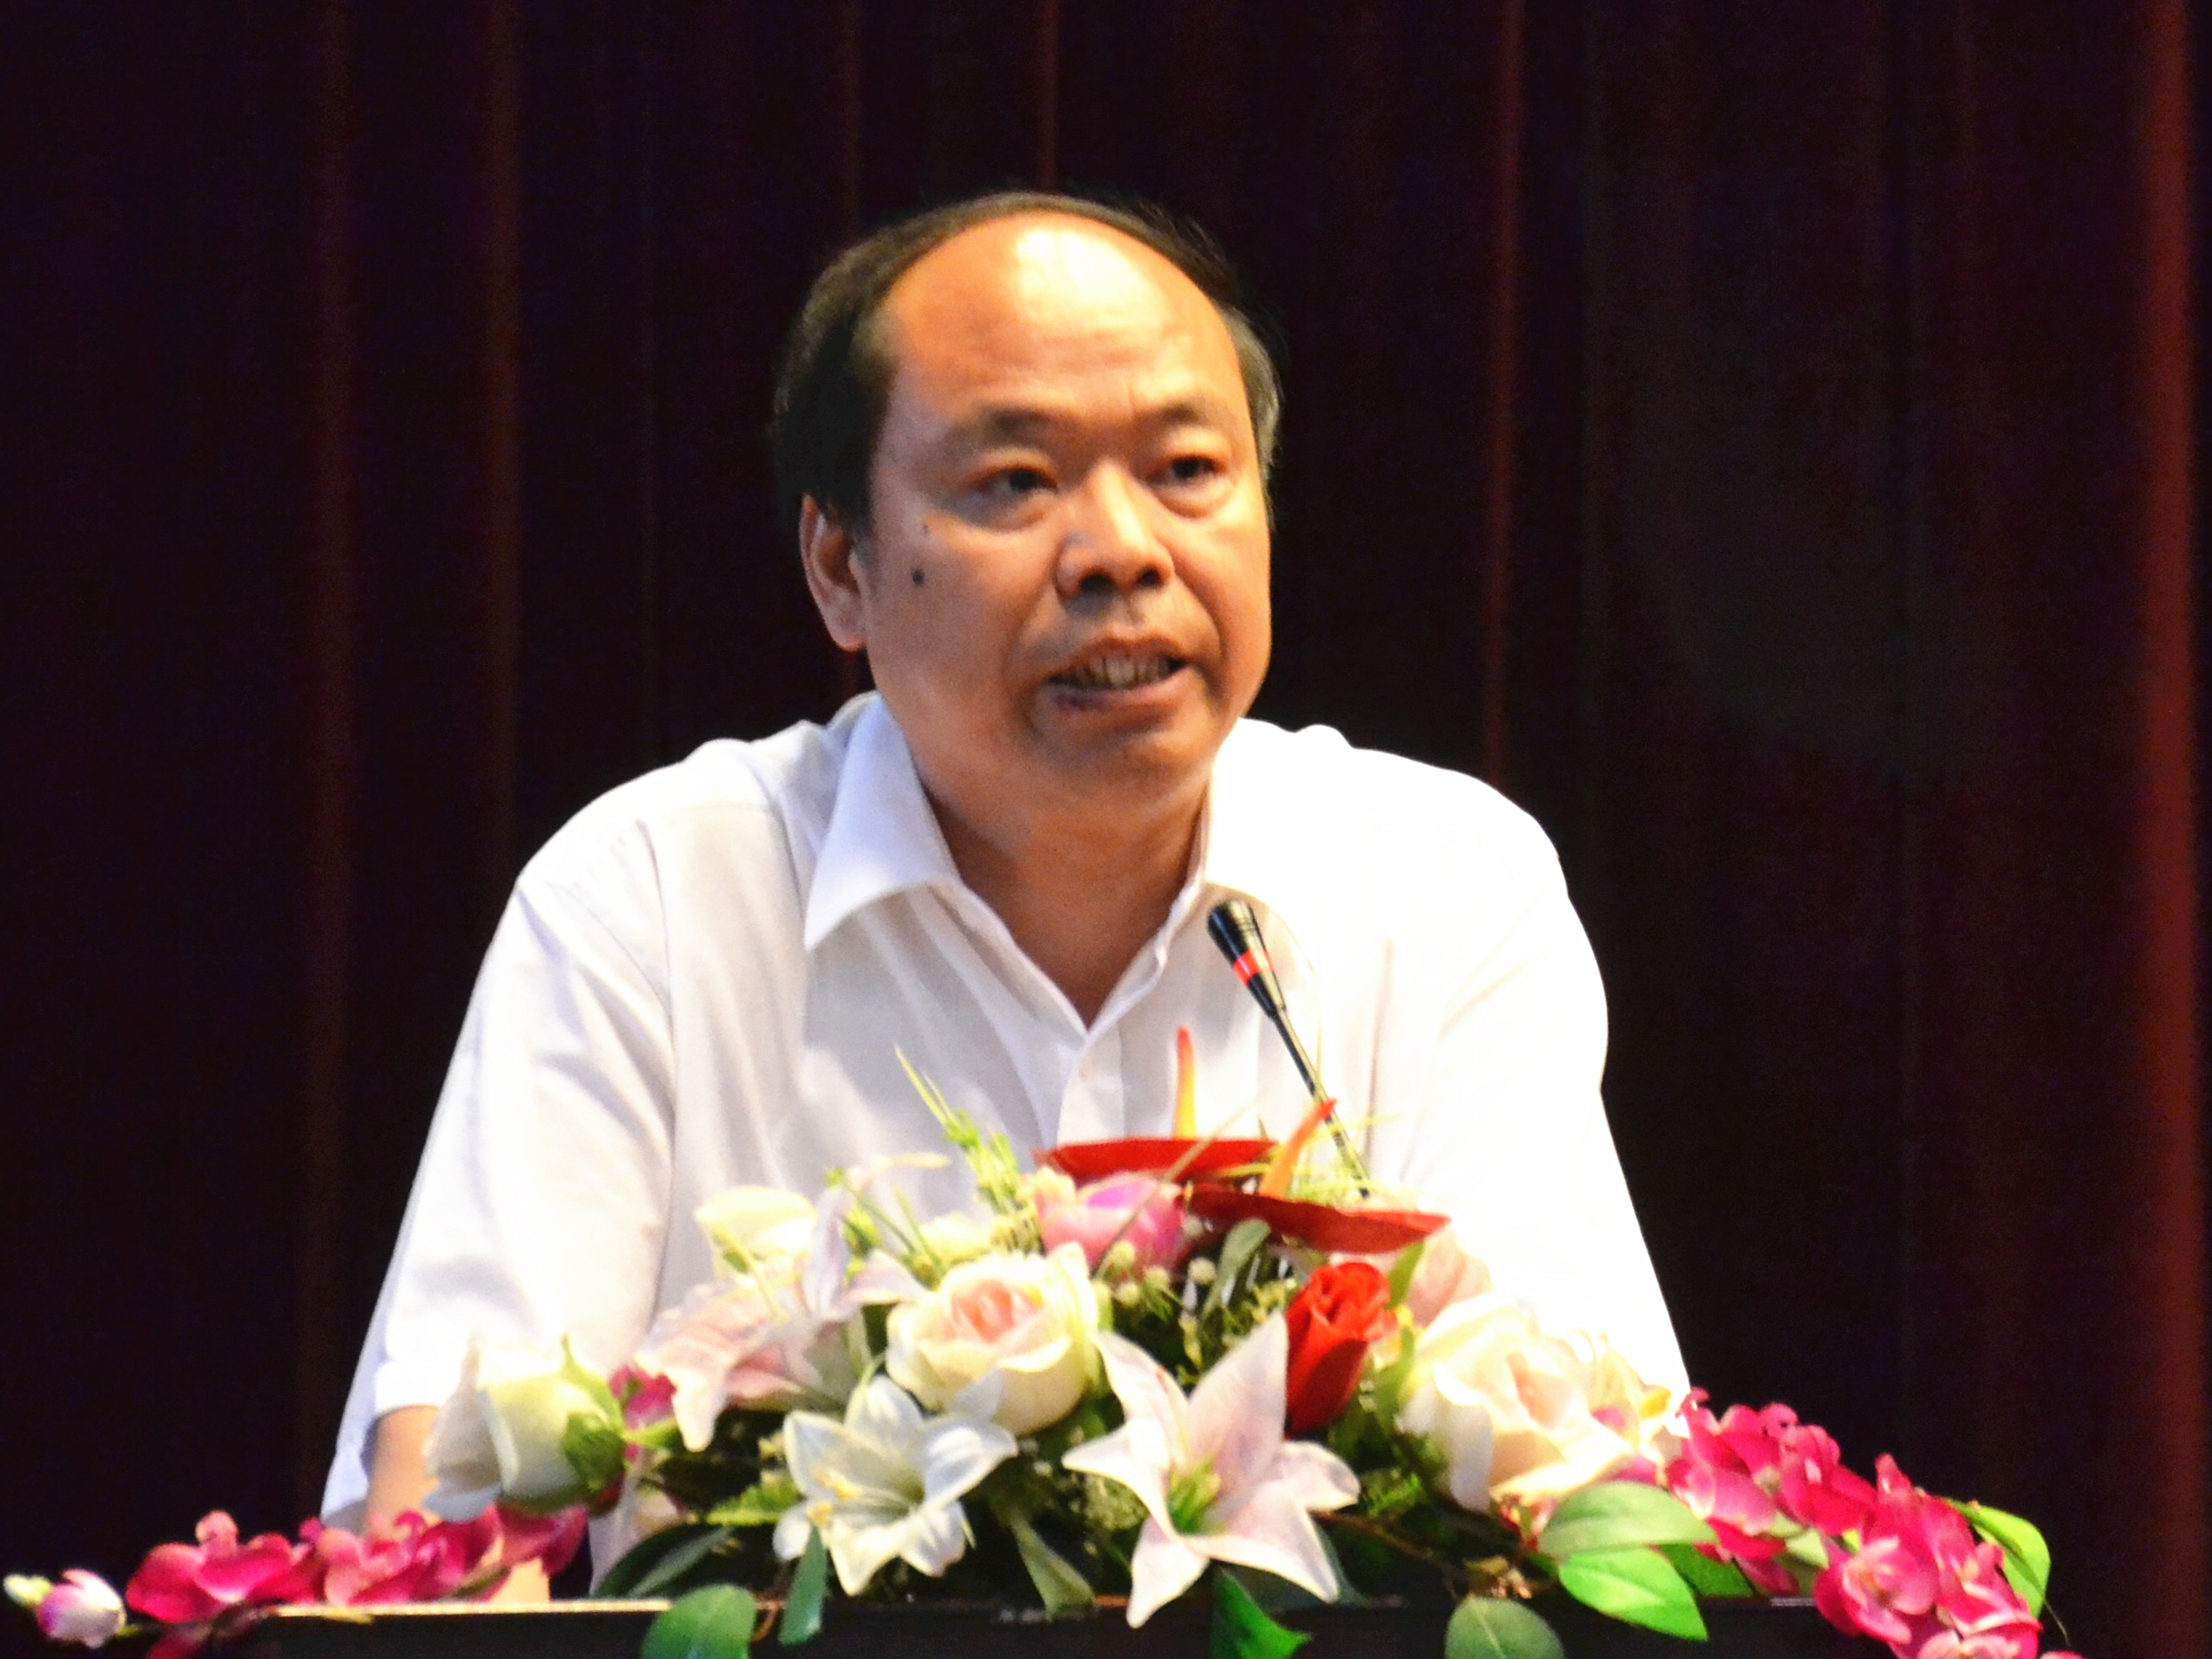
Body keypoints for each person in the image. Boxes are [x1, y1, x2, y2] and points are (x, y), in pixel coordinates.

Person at [327, 191, 1685, 1547]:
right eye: (1016, 484)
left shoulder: (1443, 890)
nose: (1123, 552)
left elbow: (1596, 1498)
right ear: (841, 567)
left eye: (1188, 469)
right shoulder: (649, 907)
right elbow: (449, 1531)